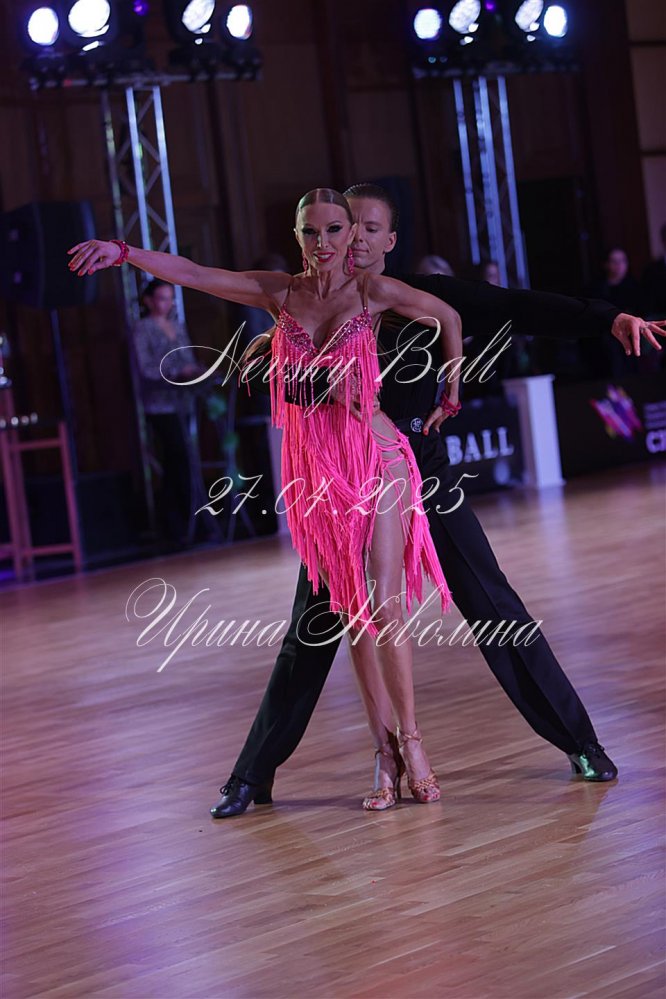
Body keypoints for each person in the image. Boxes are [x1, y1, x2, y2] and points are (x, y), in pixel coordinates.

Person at [197, 184, 665, 819]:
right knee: (313, 626)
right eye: (348, 227)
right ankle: (251, 775)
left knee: (494, 605)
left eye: (370, 228)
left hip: (425, 474)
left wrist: (606, 318)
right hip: (350, 486)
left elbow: (515, 305)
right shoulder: (316, 298)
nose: (354, 240)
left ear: (389, 240)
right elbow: (270, 368)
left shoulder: (416, 295)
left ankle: (582, 743)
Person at [68, 188, 465, 811]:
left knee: (384, 604)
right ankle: (383, 752)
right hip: (317, 471)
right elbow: (194, 274)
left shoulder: (372, 292)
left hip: (378, 456)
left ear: (350, 235)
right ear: (298, 235)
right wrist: (123, 252)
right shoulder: (278, 293)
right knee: (352, 610)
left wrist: (452, 386)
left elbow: (449, 316)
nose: (323, 243)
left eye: (334, 230)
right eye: (311, 231)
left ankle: (413, 743)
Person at [132, 279, 203, 545]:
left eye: (169, 298)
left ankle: (191, 523)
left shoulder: (177, 326)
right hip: (160, 403)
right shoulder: (143, 328)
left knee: (184, 458)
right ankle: (176, 525)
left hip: (183, 400)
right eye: (162, 298)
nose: (167, 304)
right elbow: (146, 368)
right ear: (149, 301)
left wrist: (195, 371)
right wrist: (175, 373)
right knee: (175, 458)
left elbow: (189, 358)